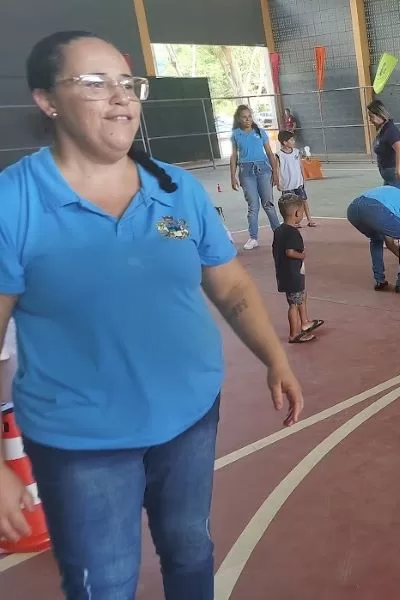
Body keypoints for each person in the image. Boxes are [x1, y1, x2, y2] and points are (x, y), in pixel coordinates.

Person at [0, 31, 303, 600]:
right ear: (46, 100)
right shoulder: (12, 203)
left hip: (189, 415)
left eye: (126, 84)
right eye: (94, 83)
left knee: (190, 549)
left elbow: (230, 282)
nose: (120, 98)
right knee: (105, 581)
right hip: (81, 440)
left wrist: (273, 355)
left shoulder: (175, 188)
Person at [347, 185, 400, 293]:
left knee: (376, 239)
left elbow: (389, 242)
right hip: (375, 209)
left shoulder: (398, 200)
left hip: (353, 209)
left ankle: (380, 281)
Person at [273, 194, 325, 343]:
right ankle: (294, 334)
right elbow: (290, 252)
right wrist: (302, 256)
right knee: (293, 304)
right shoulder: (293, 232)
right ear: (297, 213)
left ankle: (305, 323)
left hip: (285, 273)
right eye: (302, 212)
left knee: (301, 296)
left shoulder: (279, 230)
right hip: (293, 274)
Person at [229, 104, 282, 250]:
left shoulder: (260, 132)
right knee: (253, 206)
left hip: (263, 170)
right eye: (244, 117)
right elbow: (234, 156)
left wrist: (275, 173)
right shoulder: (236, 134)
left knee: (268, 204)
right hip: (246, 172)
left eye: (249, 116)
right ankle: (253, 237)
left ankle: (279, 235)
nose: (247, 119)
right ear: (239, 119)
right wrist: (232, 176)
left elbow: (270, 154)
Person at [276, 130, 316, 227]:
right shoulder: (279, 155)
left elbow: (300, 165)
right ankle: (293, 222)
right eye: (291, 140)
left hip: (298, 182)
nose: (294, 141)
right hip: (287, 185)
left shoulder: (296, 152)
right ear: (285, 142)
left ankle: (309, 219)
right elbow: (277, 169)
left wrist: (304, 177)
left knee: (304, 201)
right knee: (289, 205)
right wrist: (277, 182)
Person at [367, 99, 400, 190]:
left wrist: (398, 171)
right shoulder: (382, 130)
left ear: (380, 115)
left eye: (371, 116)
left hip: (396, 180)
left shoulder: (390, 130)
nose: (370, 120)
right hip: (389, 179)